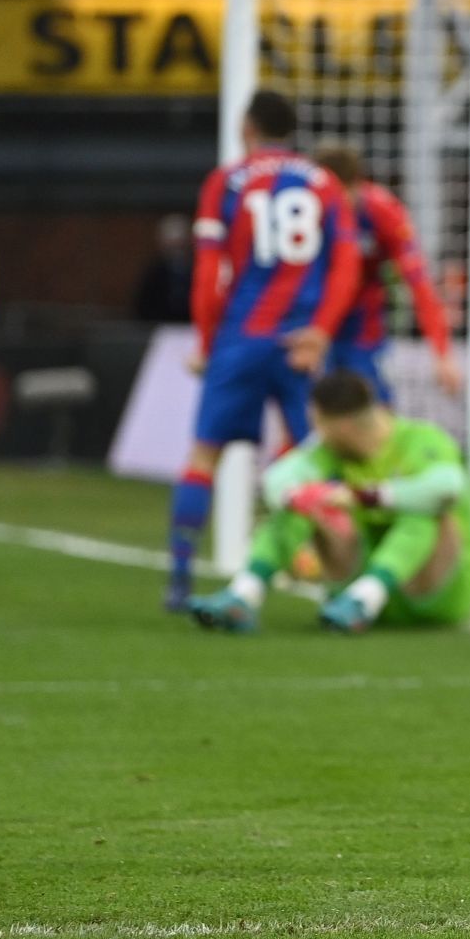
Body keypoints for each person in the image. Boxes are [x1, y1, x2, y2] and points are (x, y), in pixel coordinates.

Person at [167, 92, 359, 612]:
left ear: (246, 125)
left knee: (204, 456)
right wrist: (321, 331)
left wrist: (207, 342)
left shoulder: (225, 181)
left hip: (242, 338)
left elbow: (209, 274)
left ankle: (180, 579)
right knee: (317, 462)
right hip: (300, 344)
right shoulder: (324, 184)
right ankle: (339, 582)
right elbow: (346, 265)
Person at [186, 370, 470, 634]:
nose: (317, 433)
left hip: (432, 596)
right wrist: (303, 496)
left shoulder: (421, 440)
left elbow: (447, 488)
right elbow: (277, 480)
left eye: (319, 424)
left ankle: (367, 597)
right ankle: (244, 594)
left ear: (344, 426)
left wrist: (362, 497)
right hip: (349, 594)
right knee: (301, 499)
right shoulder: (329, 448)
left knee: (425, 511)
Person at [311, 146, 462, 402]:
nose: (330, 207)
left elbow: (420, 285)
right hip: (309, 319)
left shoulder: (384, 212)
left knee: (366, 404)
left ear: (356, 186)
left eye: (336, 197)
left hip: (360, 325)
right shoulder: (306, 211)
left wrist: (442, 353)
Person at [133, 215, 194, 323]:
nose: (177, 249)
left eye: (180, 243)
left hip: (192, 326)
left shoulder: (197, 269)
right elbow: (143, 305)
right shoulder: (154, 271)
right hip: (161, 327)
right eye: (172, 244)